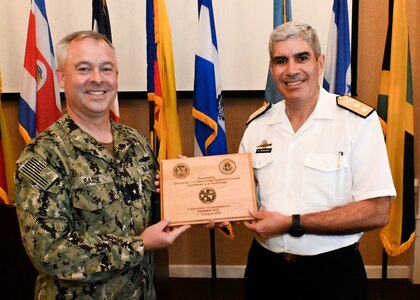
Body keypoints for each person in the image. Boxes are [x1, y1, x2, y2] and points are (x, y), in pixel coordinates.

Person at [14, 30, 190, 299]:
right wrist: (139, 245)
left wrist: (189, 195)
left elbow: (153, 214)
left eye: (106, 69)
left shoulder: (137, 142)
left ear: (116, 77)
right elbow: (49, 252)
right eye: (84, 69)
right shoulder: (43, 156)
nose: (97, 78)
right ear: (62, 78)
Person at [239, 21, 396, 300]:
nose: (291, 70)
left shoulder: (357, 122)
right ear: (272, 69)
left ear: (320, 62)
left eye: (302, 57)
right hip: (266, 271)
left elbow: (377, 211)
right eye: (280, 61)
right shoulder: (257, 127)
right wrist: (194, 187)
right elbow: (239, 196)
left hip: (332, 274)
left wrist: (292, 222)